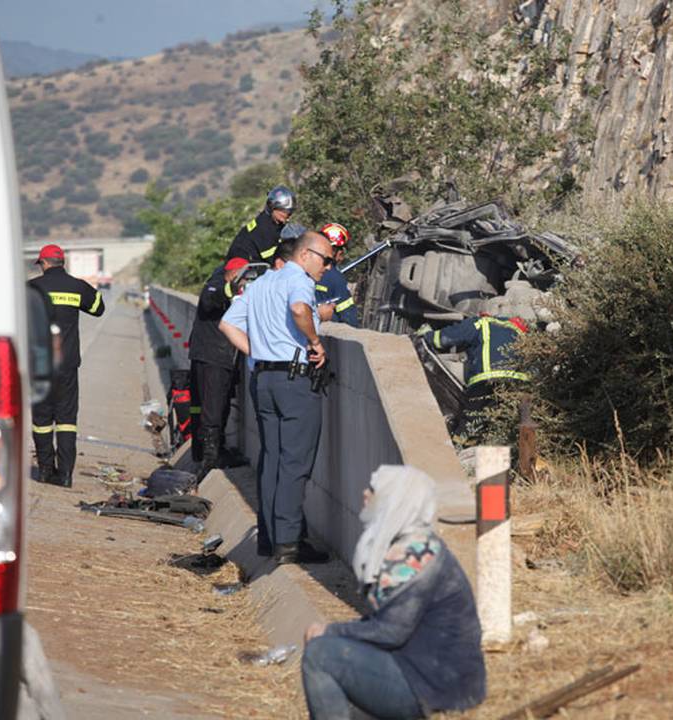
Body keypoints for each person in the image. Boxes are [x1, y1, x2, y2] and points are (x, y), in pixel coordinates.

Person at [300, 465, 486, 720]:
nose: (365, 493)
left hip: (435, 688)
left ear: (396, 500)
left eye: (374, 489)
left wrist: (331, 631)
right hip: (427, 675)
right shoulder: (415, 544)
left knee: (319, 655)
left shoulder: (414, 558)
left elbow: (390, 632)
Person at [219, 231, 336, 564]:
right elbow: (299, 309)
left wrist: (258, 351)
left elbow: (227, 325)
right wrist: (315, 341)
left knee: (271, 459)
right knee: (294, 462)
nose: (328, 267)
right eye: (326, 260)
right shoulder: (299, 280)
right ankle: (288, 542)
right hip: (294, 381)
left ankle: (270, 538)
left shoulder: (260, 284)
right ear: (305, 255)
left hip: (264, 378)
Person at [27, 243, 106, 486]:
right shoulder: (77, 286)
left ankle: (45, 471)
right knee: (67, 420)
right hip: (68, 365)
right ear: (63, 262)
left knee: (41, 422)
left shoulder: (31, 288)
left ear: (43, 263)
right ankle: (65, 475)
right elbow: (98, 308)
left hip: (40, 367)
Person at [186, 256, 253, 473]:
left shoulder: (230, 289)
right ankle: (209, 458)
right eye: (244, 278)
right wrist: (231, 289)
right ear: (233, 274)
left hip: (219, 356)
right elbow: (210, 300)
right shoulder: (216, 285)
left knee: (218, 406)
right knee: (212, 408)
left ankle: (211, 451)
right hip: (212, 356)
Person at [421, 314, 531, 441]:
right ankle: (496, 451)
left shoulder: (484, 322)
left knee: (472, 421)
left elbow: (447, 337)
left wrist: (427, 335)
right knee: (502, 425)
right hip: (517, 385)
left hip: (487, 379)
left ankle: (460, 447)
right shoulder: (523, 335)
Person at [225, 185, 296, 268]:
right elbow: (272, 259)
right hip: (244, 267)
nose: (288, 214)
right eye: (284, 210)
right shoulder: (264, 227)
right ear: (272, 207)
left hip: (257, 265)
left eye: (290, 211)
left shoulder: (276, 224)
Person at [315, 222, 359, 327]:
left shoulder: (302, 269)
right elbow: (348, 317)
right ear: (336, 251)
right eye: (341, 250)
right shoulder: (336, 278)